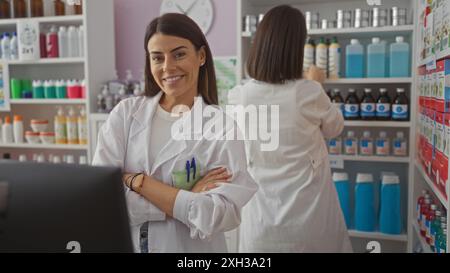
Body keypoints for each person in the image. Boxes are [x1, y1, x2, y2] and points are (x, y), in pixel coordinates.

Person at [92, 13, 257, 253]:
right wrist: (184, 199)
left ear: (201, 56)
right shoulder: (125, 115)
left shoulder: (223, 128)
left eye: (179, 54)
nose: (168, 67)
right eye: (157, 58)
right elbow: (103, 199)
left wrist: (138, 182)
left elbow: (219, 214)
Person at [228, 5, 352, 253]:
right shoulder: (307, 92)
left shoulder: (239, 96)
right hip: (308, 222)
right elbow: (335, 127)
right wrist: (316, 83)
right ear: (296, 49)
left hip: (260, 221)